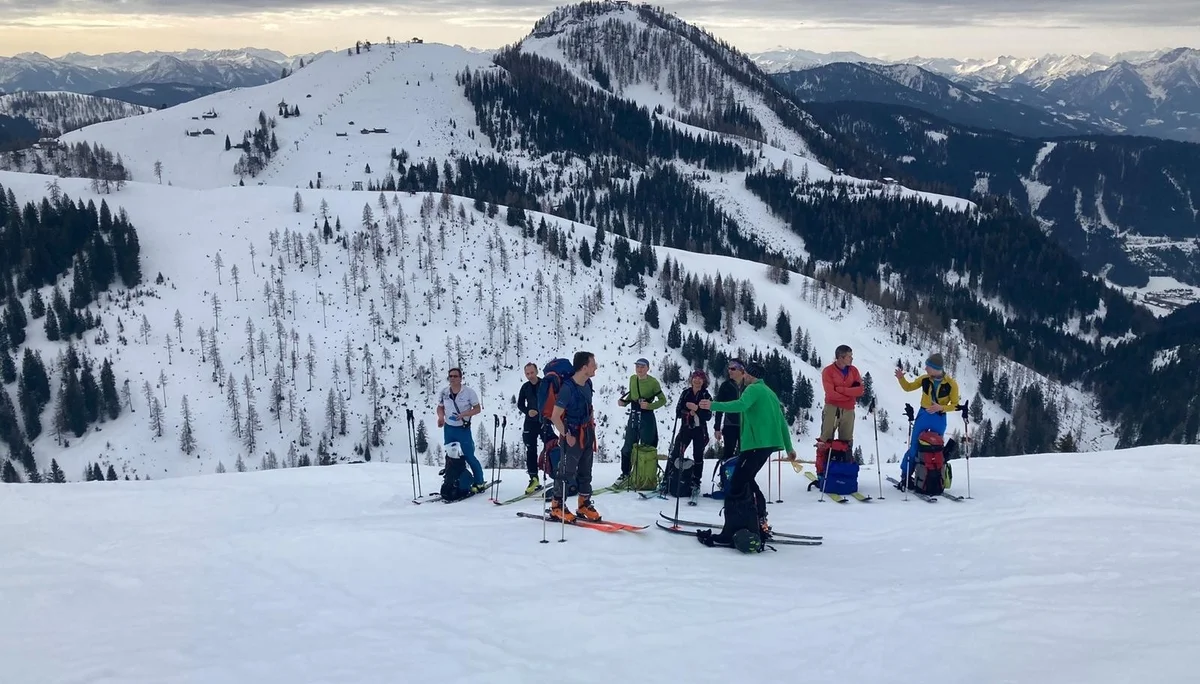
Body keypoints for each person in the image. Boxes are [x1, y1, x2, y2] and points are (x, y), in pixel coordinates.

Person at [698, 361, 797, 549]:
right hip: (766, 445)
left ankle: (736, 530)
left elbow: (741, 405)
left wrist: (713, 405)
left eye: (745, 375)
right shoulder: (770, 393)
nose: (743, 378)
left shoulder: (752, 390)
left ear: (749, 375)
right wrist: (788, 447)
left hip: (754, 445)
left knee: (736, 485)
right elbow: (782, 422)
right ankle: (758, 520)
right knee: (747, 481)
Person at [548, 351, 601, 523]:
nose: (596, 367)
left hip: (587, 432)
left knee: (586, 470)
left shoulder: (587, 383)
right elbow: (555, 416)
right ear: (584, 367)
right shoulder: (567, 389)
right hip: (572, 434)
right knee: (566, 472)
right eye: (593, 364)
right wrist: (566, 434)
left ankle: (583, 503)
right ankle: (556, 506)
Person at [895, 353, 960, 489]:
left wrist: (941, 407)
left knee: (936, 448)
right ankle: (905, 476)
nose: (925, 369)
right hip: (924, 414)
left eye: (928, 367)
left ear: (936, 368)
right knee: (914, 447)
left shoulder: (951, 384)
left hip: (939, 416)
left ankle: (933, 476)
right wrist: (901, 378)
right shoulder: (925, 379)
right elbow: (908, 387)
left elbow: (955, 404)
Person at [615, 357, 667, 487]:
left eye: (642, 367)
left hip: (647, 417)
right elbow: (632, 395)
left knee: (647, 446)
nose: (639, 369)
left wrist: (649, 406)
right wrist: (624, 402)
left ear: (648, 368)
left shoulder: (653, 383)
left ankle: (645, 475)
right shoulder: (633, 379)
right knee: (628, 446)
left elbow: (663, 400)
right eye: (638, 366)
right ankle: (625, 474)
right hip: (633, 415)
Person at [436, 368, 486, 494]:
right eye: (450, 376)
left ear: (460, 378)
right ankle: (454, 481)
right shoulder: (444, 392)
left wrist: (465, 414)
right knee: (451, 456)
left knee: (469, 456)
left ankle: (479, 482)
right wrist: (441, 417)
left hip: (463, 429)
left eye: (455, 376)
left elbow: (478, 409)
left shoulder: (469, 392)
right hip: (449, 428)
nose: (452, 378)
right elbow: (440, 407)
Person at [672, 369, 712, 500]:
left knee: (698, 455)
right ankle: (670, 477)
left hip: (700, 430)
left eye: (700, 378)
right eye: (695, 377)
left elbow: (708, 416)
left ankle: (696, 482)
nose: (697, 380)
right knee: (676, 452)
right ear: (691, 379)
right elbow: (678, 411)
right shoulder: (685, 393)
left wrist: (697, 410)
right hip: (686, 428)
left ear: (704, 381)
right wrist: (688, 412)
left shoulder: (706, 395)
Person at [820, 345, 864, 444]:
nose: (852, 358)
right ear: (840, 357)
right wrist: (850, 395)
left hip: (848, 410)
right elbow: (831, 393)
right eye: (849, 356)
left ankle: (844, 459)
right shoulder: (828, 371)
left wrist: (841, 390)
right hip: (832, 408)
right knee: (826, 438)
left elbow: (860, 390)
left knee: (846, 441)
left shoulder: (853, 370)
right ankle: (824, 459)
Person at [712, 359, 745, 471]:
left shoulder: (749, 385)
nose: (729, 371)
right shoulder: (725, 386)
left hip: (745, 425)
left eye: (733, 368)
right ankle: (726, 480)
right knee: (728, 455)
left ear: (741, 370)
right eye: (729, 368)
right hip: (730, 424)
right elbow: (719, 407)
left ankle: (745, 482)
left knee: (746, 455)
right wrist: (717, 428)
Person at [516, 362, 542, 495]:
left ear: (537, 371)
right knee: (531, 450)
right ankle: (533, 478)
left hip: (544, 421)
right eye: (527, 373)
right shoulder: (525, 387)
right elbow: (520, 404)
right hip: (530, 422)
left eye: (532, 373)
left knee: (551, 446)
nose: (530, 375)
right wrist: (528, 411)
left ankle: (557, 475)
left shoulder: (544, 384)